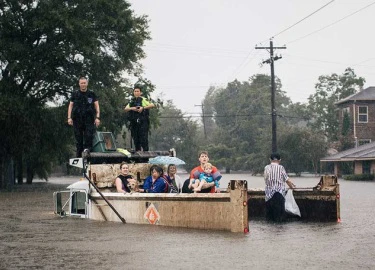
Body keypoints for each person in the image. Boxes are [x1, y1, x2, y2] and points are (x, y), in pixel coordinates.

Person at [67, 76, 100, 157]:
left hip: (89, 119)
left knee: (88, 136)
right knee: (78, 138)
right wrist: (69, 117)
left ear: (87, 83)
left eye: (84, 83)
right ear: (79, 84)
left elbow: (97, 106)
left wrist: (97, 117)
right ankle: (79, 156)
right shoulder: (75, 94)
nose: (83, 84)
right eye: (81, 83)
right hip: (77, 119)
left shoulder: (91, 93)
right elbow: (70, 105)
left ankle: (88, 153)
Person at [264, 152, 296, 222]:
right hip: (279, 194)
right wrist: (292, 187)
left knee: (270, 217)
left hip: (269, 195)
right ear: (280, 160)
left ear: (270, 159)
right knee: (279, 217)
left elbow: (266, 180)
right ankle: (279, 231)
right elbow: (287, 180)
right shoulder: (281, 168)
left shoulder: (266, 168)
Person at [124, 86, 155, 151]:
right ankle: (138, 155)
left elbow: (152, 105)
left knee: (143, 138)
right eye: (135, 91)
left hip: (143, 122)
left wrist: (143, 108)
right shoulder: (132, 101)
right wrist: (132, 108)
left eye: (138, 91)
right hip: (134, 123)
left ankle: (145, 155)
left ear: (140, 92)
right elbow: (126, 109)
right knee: (136, 139)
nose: (136, 93)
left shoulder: (143, 99)